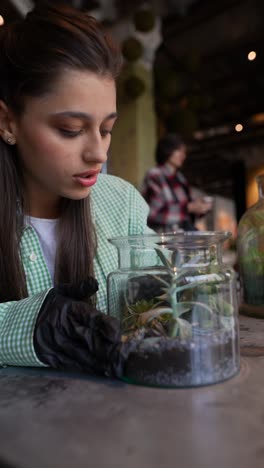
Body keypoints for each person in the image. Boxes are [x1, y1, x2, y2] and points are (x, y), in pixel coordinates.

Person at [0, 2, 151, 377]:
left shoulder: (123, 203)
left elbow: (161, 287)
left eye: (106, 129)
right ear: (7, 122)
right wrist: (31, 328)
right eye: (70, 129)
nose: (98, 153)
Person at [141, 133, 212, 232]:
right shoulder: (155, 175)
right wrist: (188, 208)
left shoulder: (180, 178)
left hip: (182, 236)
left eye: (184, 152)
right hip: (163, 238)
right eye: (179, 151)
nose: (183, 156)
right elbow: (153, 213)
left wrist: (200, 208)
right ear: (167, 150)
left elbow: (186, 215)